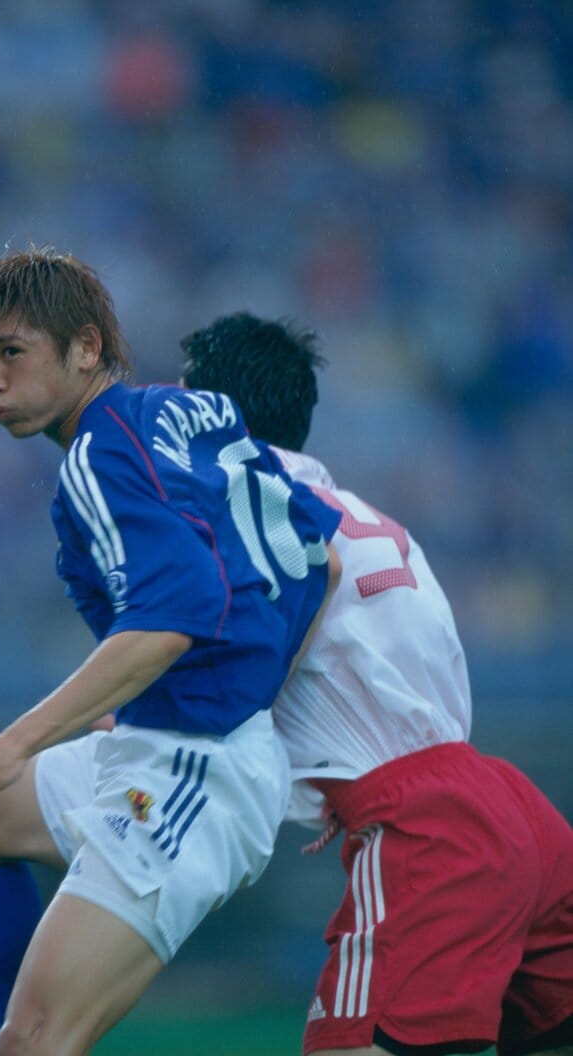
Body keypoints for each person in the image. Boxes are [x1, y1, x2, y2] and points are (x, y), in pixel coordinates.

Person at [0, 242, 342, 1056]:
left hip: (195, 768)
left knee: (38, 1040)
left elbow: (178, 611)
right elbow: (321, 561)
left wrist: (18, 740)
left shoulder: (99, 452)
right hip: (187, 741)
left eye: (9, 354)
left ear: (86, 348)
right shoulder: (176, 411)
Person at [180, 312, 573, 1056]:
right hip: (510, 806)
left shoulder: (241, 507)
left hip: (429, 826)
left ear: (209, 414)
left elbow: (256, 642)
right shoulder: (359, 511)